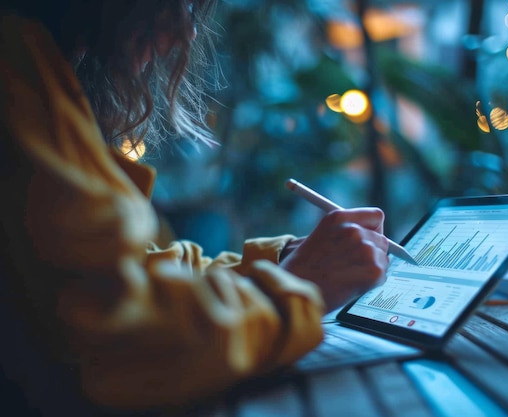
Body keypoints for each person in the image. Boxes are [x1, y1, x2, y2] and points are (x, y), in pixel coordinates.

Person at [0, 0, 390, 414]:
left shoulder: (43, 70)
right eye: (181, 3)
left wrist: (281, 264)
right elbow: (118, 343)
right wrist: (299, 288)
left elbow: (141, 273)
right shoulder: (14, 78)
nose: (189, 31)